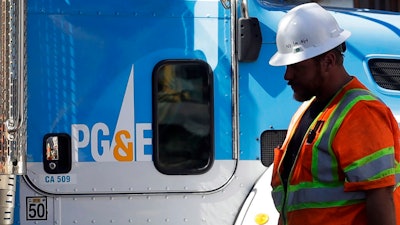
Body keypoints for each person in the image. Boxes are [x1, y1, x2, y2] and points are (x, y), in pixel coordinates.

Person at [268, 3, 400, 225]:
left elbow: (381, 197)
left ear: (328, 61)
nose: (287, 75)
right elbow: (292, 203)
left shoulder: (361, 113)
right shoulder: (305, 113)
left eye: (296, 67)